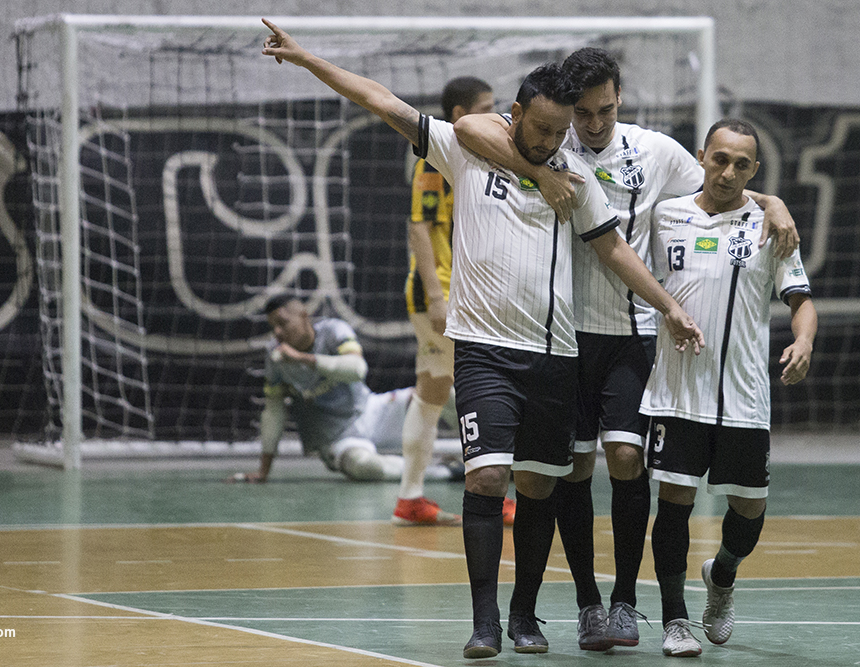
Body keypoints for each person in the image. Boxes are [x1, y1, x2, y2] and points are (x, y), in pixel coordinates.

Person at [259, 19, 704, 659]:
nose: (554, 142)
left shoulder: (574, 178)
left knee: (539, 486)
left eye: (562, 133)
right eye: (544, 129)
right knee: (485, 478)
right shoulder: (468, 149)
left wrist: (667, 307)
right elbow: (382, 100)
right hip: (485, 352)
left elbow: (614, 250)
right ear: (515, 114)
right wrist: (307, 60)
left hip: (556, 355)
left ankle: (526, 615)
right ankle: (485, 622)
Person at [452, 46, 801, 651]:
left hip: (634, 331)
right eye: (581, 113)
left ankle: (624, 602)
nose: (591, 125)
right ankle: (588, 603)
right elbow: (473, 127)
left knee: (625, 459)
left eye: (604, 112)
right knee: (573, 468)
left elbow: (728, 187)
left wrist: (774, 202)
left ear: (620, 101)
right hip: (562, 335)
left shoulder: (656, 151)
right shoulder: (546, 147)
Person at [641, 119, 816, 657]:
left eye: (742, 164)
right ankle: (674, 619)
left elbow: (801, 299)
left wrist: (804, 340)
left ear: (754, 171)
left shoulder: (771, 224)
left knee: (749, 508)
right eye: (719, 159)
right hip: (677, 389)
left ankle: (722, 576)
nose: (728, 171)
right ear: (702, 157)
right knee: (674, 501)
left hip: (743, 394)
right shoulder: (664, 216)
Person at [398, 76, 504, 526]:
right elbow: (419, 226)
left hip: (456, 293)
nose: (496, 114)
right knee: (484, 386)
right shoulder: (433, 157)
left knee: (433, 389)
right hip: (441, 295)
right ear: (459, 115)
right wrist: (439, 297)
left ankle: (411, 498)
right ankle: (484, 493)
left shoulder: (471, 154)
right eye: (486, 107)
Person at [227, 295, 463, 486]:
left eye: (283, 323)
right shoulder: (276, 358)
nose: (277, 332)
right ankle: (446, 471)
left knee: (443, 390)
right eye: (273, 327)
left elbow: (357, 369)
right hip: (338, 440)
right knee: (366, 467)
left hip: (371, 411)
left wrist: (305, 359)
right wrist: (263, 471)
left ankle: (478, 456)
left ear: (304, 316)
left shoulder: (332, 331)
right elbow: (273, 412)